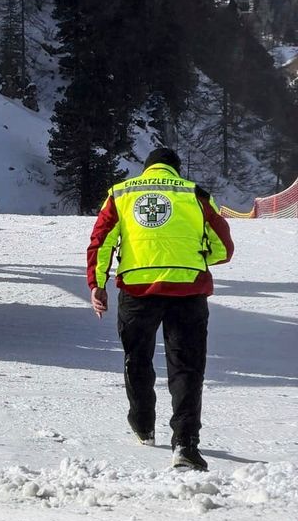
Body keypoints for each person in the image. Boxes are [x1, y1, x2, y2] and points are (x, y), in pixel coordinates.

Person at [86, 147, 233, 471]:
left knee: (137, 358)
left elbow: (101, 242)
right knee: (187, 368)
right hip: (188, 289)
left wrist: (97, 285)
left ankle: (143, 425)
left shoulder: (121, 194)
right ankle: (185, 445)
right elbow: (224, 247)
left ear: (148, 168)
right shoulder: (194, 194)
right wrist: (193, 257)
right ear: (175, 170)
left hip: (137, 291)